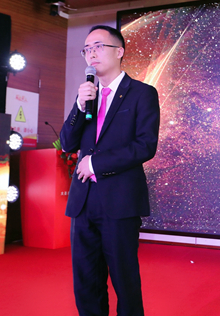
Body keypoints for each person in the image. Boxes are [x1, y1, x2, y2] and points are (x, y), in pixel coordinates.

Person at [60, 25, 160, 316]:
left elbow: (145, 146)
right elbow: (67, 143)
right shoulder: (87, 96)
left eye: (98, 47)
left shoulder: (142, 93)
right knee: (86, 281)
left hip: (120, 201)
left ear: (119, 52)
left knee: (124, 280)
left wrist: (95, 163)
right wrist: (79, 106)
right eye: (87, 49)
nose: (91, 53)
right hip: (83, 201)